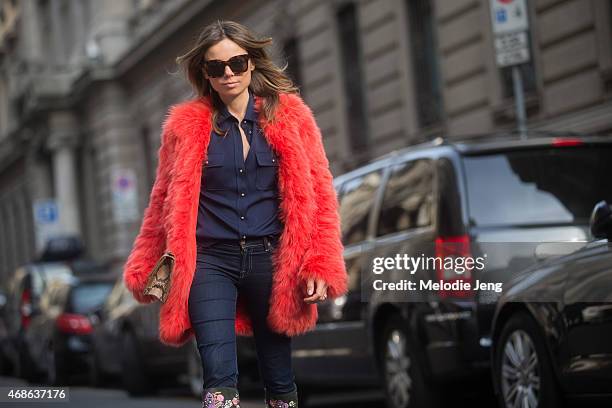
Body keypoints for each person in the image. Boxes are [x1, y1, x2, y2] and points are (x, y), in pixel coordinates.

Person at [122, 20, 348, 408]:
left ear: (253, 64)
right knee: (218, 374)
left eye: (237, 63)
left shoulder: (291, 117)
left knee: (279, 376)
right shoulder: (185, 128)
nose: (228, 73)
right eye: (216, 67)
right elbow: (162, 201)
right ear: (205, 75)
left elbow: (322, 195)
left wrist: (321, 263)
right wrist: (145, 261)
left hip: (272, 259)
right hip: (209, 261)